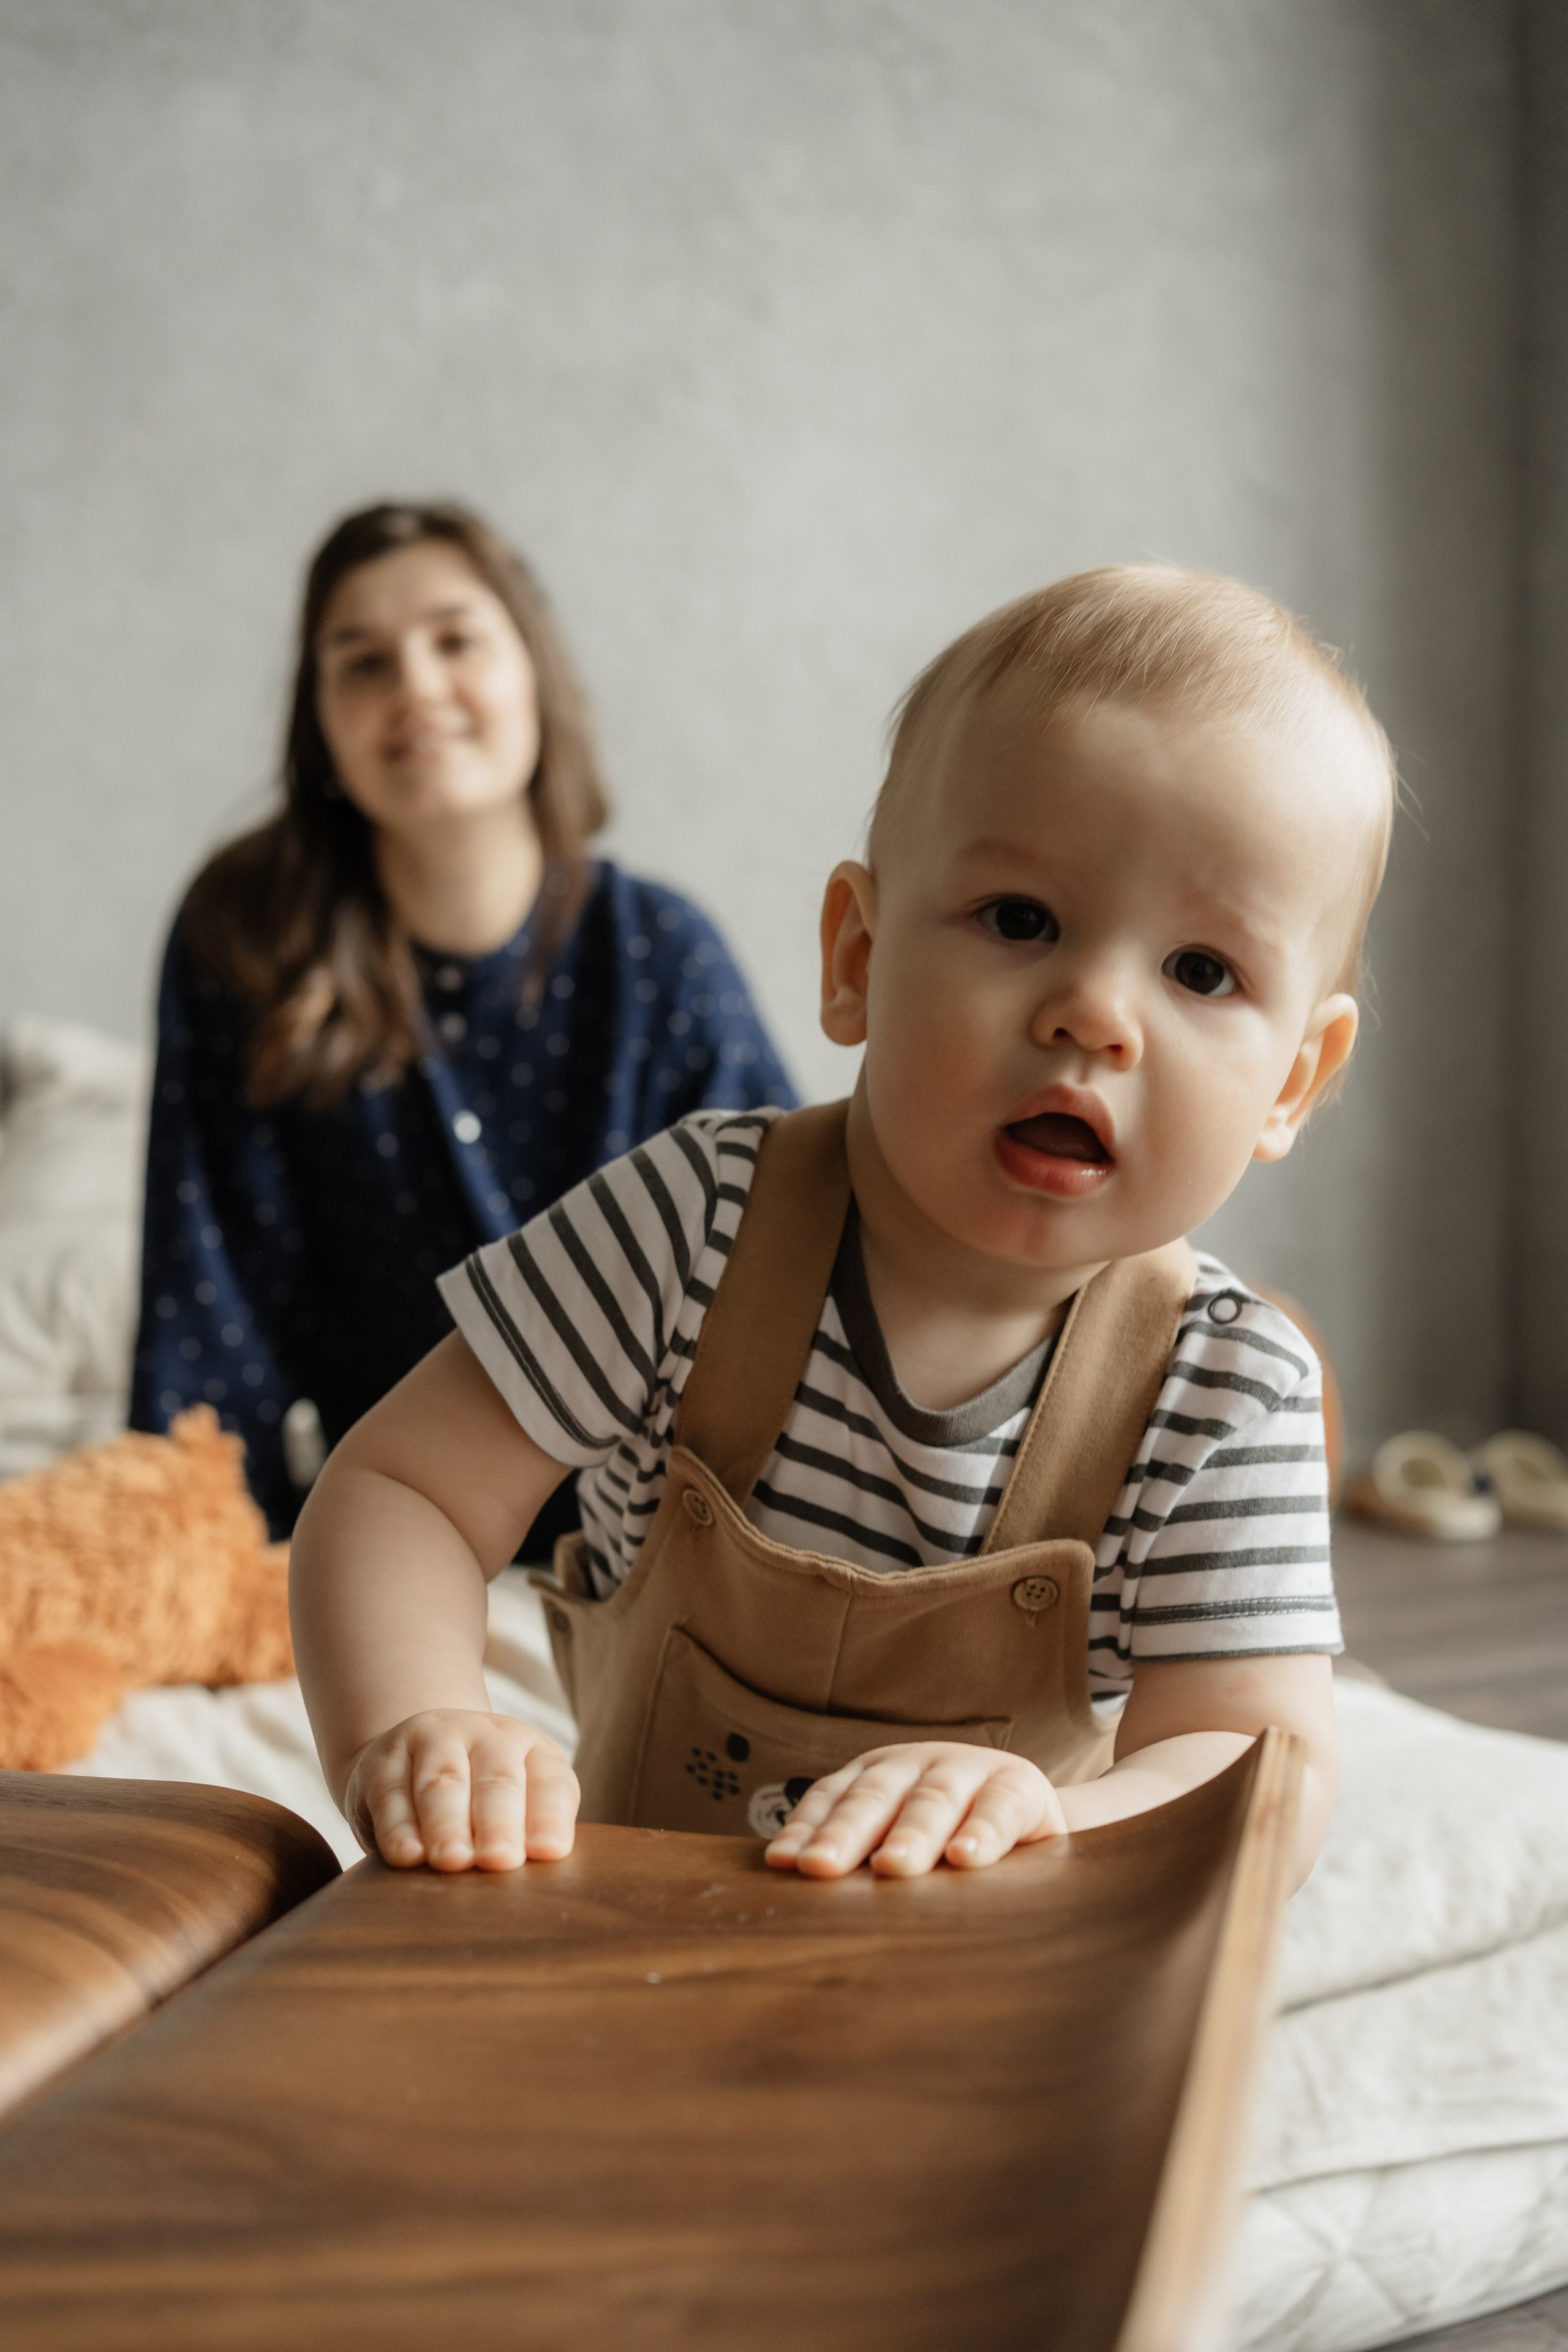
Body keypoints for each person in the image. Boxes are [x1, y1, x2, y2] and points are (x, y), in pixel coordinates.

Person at [290, 564, 1395, 1888]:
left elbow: (1253, 1762)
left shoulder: (1223, 1393)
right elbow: (401, 1491)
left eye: (1200, 972)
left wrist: (1045, 1816)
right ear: (855, 959)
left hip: (981, 1971)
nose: (1094, 1013)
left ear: (1289, 1083)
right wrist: (420, 1722)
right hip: (635, 1927)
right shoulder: (688, 1222)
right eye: (1019, 920)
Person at [130, 502, 794, 1540]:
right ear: (321, 722)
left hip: (660, 1529)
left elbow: (783, 1280)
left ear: (534, 674)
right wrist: (204, 1556)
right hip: (389, 1514)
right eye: (363, 662)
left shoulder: (664, 956)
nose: (418, 690)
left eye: (455, 641)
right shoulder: (244, 943)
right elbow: (209, 1309)